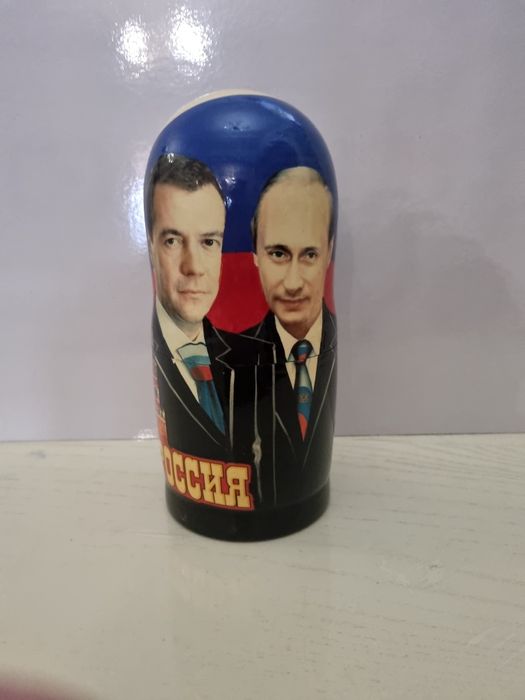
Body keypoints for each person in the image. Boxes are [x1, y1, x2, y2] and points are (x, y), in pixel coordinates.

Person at [146, 154, 276, 506]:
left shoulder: (257, 355)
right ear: (150, 246)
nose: (194, 267)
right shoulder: (161, 355)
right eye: (173, 240)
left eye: (208, 242)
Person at [244, 166, 337, 501]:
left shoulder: (332, 345)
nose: (294, 283)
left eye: (309, 254)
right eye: (279, 254)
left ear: (329, 252)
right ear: (256, 255)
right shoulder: (232, 364)